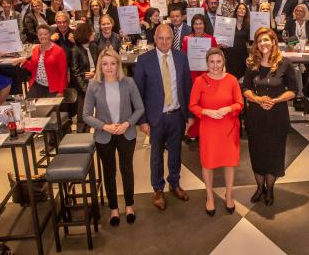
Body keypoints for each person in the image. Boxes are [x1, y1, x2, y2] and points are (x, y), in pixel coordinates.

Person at [133, 24, 193, 210]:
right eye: (161, 38)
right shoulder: (144, 60)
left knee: (175, 152)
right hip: (155, 118)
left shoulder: (181, 58)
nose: (165, 42)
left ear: (172, 38)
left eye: (168, 38)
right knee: (156, 155)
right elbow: (138, 93)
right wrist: (142, 121)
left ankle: (174, 183)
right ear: (155, 39)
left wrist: (189, 115)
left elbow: (187, 87)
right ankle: (158, 189)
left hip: (176, 115)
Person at [82, 48, 144, 226]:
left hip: (126, 133)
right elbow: (86, 115)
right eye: (105, 64)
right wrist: (104, 126)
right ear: (100, 66)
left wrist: (126, 124)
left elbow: (139, 108)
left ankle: (130, 205)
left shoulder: (129, 83)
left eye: (112, 63)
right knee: (109, 173)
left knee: (127, 170)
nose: (109, 67)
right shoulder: (94, 86)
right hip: (104, 135)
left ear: (118, 64)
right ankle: (114, 209)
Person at [243, 28, 297, 206]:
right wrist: (257, 99)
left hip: (277, 116)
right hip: (256, 116)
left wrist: (275, 100)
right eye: (259, 41)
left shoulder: (285, 64)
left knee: (274, 154)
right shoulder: (252, 64)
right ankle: (259, 188)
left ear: (273, 41)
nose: (263, 44)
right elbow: (245, 89)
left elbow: (294, 90)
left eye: (266, 40)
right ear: (256, 45)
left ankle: (270, 190)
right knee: (257, 153)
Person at [189, 48, 243, 216]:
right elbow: (193, 105)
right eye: (211, 62)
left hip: (228, 128)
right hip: (209, 128)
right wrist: (206, 112)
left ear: (223, 62)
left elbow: (240, 104)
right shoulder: (199, 81)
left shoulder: (232, 80)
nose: (215, 65)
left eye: (218, 61)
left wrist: (229, 108)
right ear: (207, 63)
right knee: (208, 163)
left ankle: (229, 194)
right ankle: (210, 197)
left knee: (229, 162)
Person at [21, 24, 68, 98]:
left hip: (52, 87)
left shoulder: (59, 51)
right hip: (37, 85)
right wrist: (25, 62)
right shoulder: (35, 49)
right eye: (40, 34)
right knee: (30, 106)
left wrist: (61, 91)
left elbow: (63, 73)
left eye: (45, 34)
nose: (43, 36)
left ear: (50, 34)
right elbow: (33, 68)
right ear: (37, 35)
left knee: (49, 109)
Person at [69, 23, 97, 131]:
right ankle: (82, 137)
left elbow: (99, 64)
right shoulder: (75, 50)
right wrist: (86, 90)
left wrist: (94, 73)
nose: (93, 34)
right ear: (85, 34)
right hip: (83, 87)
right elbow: (75, 73)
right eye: (91, 32)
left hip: (96, 81)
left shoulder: (94, 47)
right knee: (83, 116)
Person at [224, 3, 250, 79]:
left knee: (241, 78)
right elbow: (224, 38)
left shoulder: (248, 25)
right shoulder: (229, 23)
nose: (242, 10)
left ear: (246, 12)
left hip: (243, 55)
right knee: (231, 78)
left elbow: (250, 41)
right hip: (230, 55)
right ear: (236, 11)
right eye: (240, 8)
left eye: (244, 9)